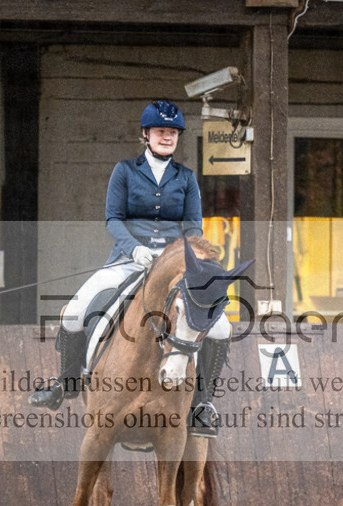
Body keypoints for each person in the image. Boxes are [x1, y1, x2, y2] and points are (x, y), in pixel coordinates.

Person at [30, 100, 231, 437]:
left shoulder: (186, 178)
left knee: (222, 327)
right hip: (128, 260)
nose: (167, 137)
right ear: (146, 134)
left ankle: (202, 403)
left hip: (174, 267)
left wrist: (182, 257)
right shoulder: (124, 171)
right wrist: (135, 248)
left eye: (172, 133)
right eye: (160, 131)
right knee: (74, 311)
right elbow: (113, 218)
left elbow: (193, 227)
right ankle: (65, 382)